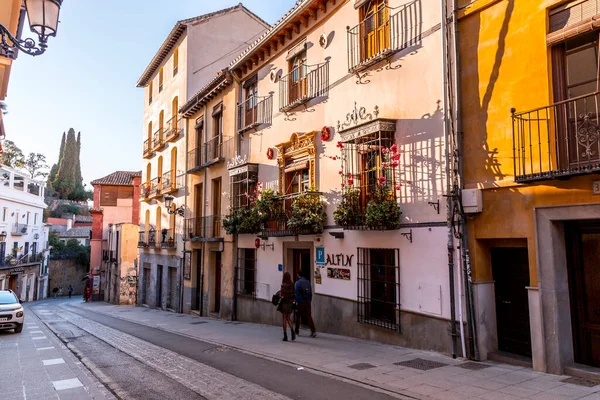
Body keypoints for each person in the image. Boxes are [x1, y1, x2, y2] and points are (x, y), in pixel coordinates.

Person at [295, 270, 316, 338]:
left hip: (300, 302)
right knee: (309, 316)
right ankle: (313, 331)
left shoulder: (297, 283)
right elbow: (310, 292)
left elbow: (296, 294)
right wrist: (309, 300)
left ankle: (296, 331)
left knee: (298, 317)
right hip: (307, 302)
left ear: (298, 275)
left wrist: (296, 302)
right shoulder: (308, 282)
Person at [278, 272, 296, 342]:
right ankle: (292, 332)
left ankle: (285, 335)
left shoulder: (283, 285)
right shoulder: (292, 285)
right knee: (288, 319)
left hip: (284, 303)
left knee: (284, 319)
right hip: (290, 303)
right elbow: (294, 293)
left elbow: (281, 295)